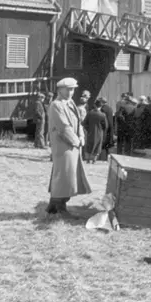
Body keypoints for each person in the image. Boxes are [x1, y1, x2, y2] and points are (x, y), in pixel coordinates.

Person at [47, 77, 92, 217]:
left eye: (72, 89)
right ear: (60, 90)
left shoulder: (70, 102)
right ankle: (60, 207)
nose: (70, 92)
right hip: (63, 145)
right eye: (68, 89)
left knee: (67, 174)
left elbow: (78, 123)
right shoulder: (56, 105)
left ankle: (53, 207)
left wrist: (81, 136)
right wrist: (76, 141)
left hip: (72, 145)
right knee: (64, 175)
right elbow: (63, 127)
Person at [83, 99, 108, 164]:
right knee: (97, 146)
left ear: (95, 105)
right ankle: (94, 160)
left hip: (90, 132)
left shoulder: (89, 113)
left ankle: (88, 159)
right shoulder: (102, 115)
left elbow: (84, 123)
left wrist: (88, 129)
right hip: (99, 132)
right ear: (101, 106)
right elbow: (105, 126)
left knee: (89, 145)